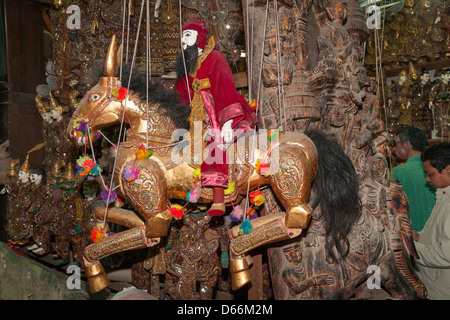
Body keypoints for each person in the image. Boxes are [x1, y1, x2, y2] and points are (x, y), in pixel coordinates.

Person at [175, 19, 258, 216]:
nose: (182, 40)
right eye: (182, 36)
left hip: (219, 111)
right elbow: (180, 95)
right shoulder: (187, 65)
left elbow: (225, 89)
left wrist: (227, 121)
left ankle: (219, 198)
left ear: (199, 39)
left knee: (215, 142)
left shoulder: (215, 58)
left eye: (187, 35)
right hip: (195, 117)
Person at [413, 142, 450, 299]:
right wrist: (418, 237)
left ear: (448, 170)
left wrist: (412, 248)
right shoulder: (443, 196)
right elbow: (438, 235)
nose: (427, 179)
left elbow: (446, 253)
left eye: (431, 174)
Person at [391, 126, 436, 231]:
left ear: (407, 144)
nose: (393, 148)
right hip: (436, 230)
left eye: (395, 144)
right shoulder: (435, 167)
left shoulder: (398, 171)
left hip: (413, 232)